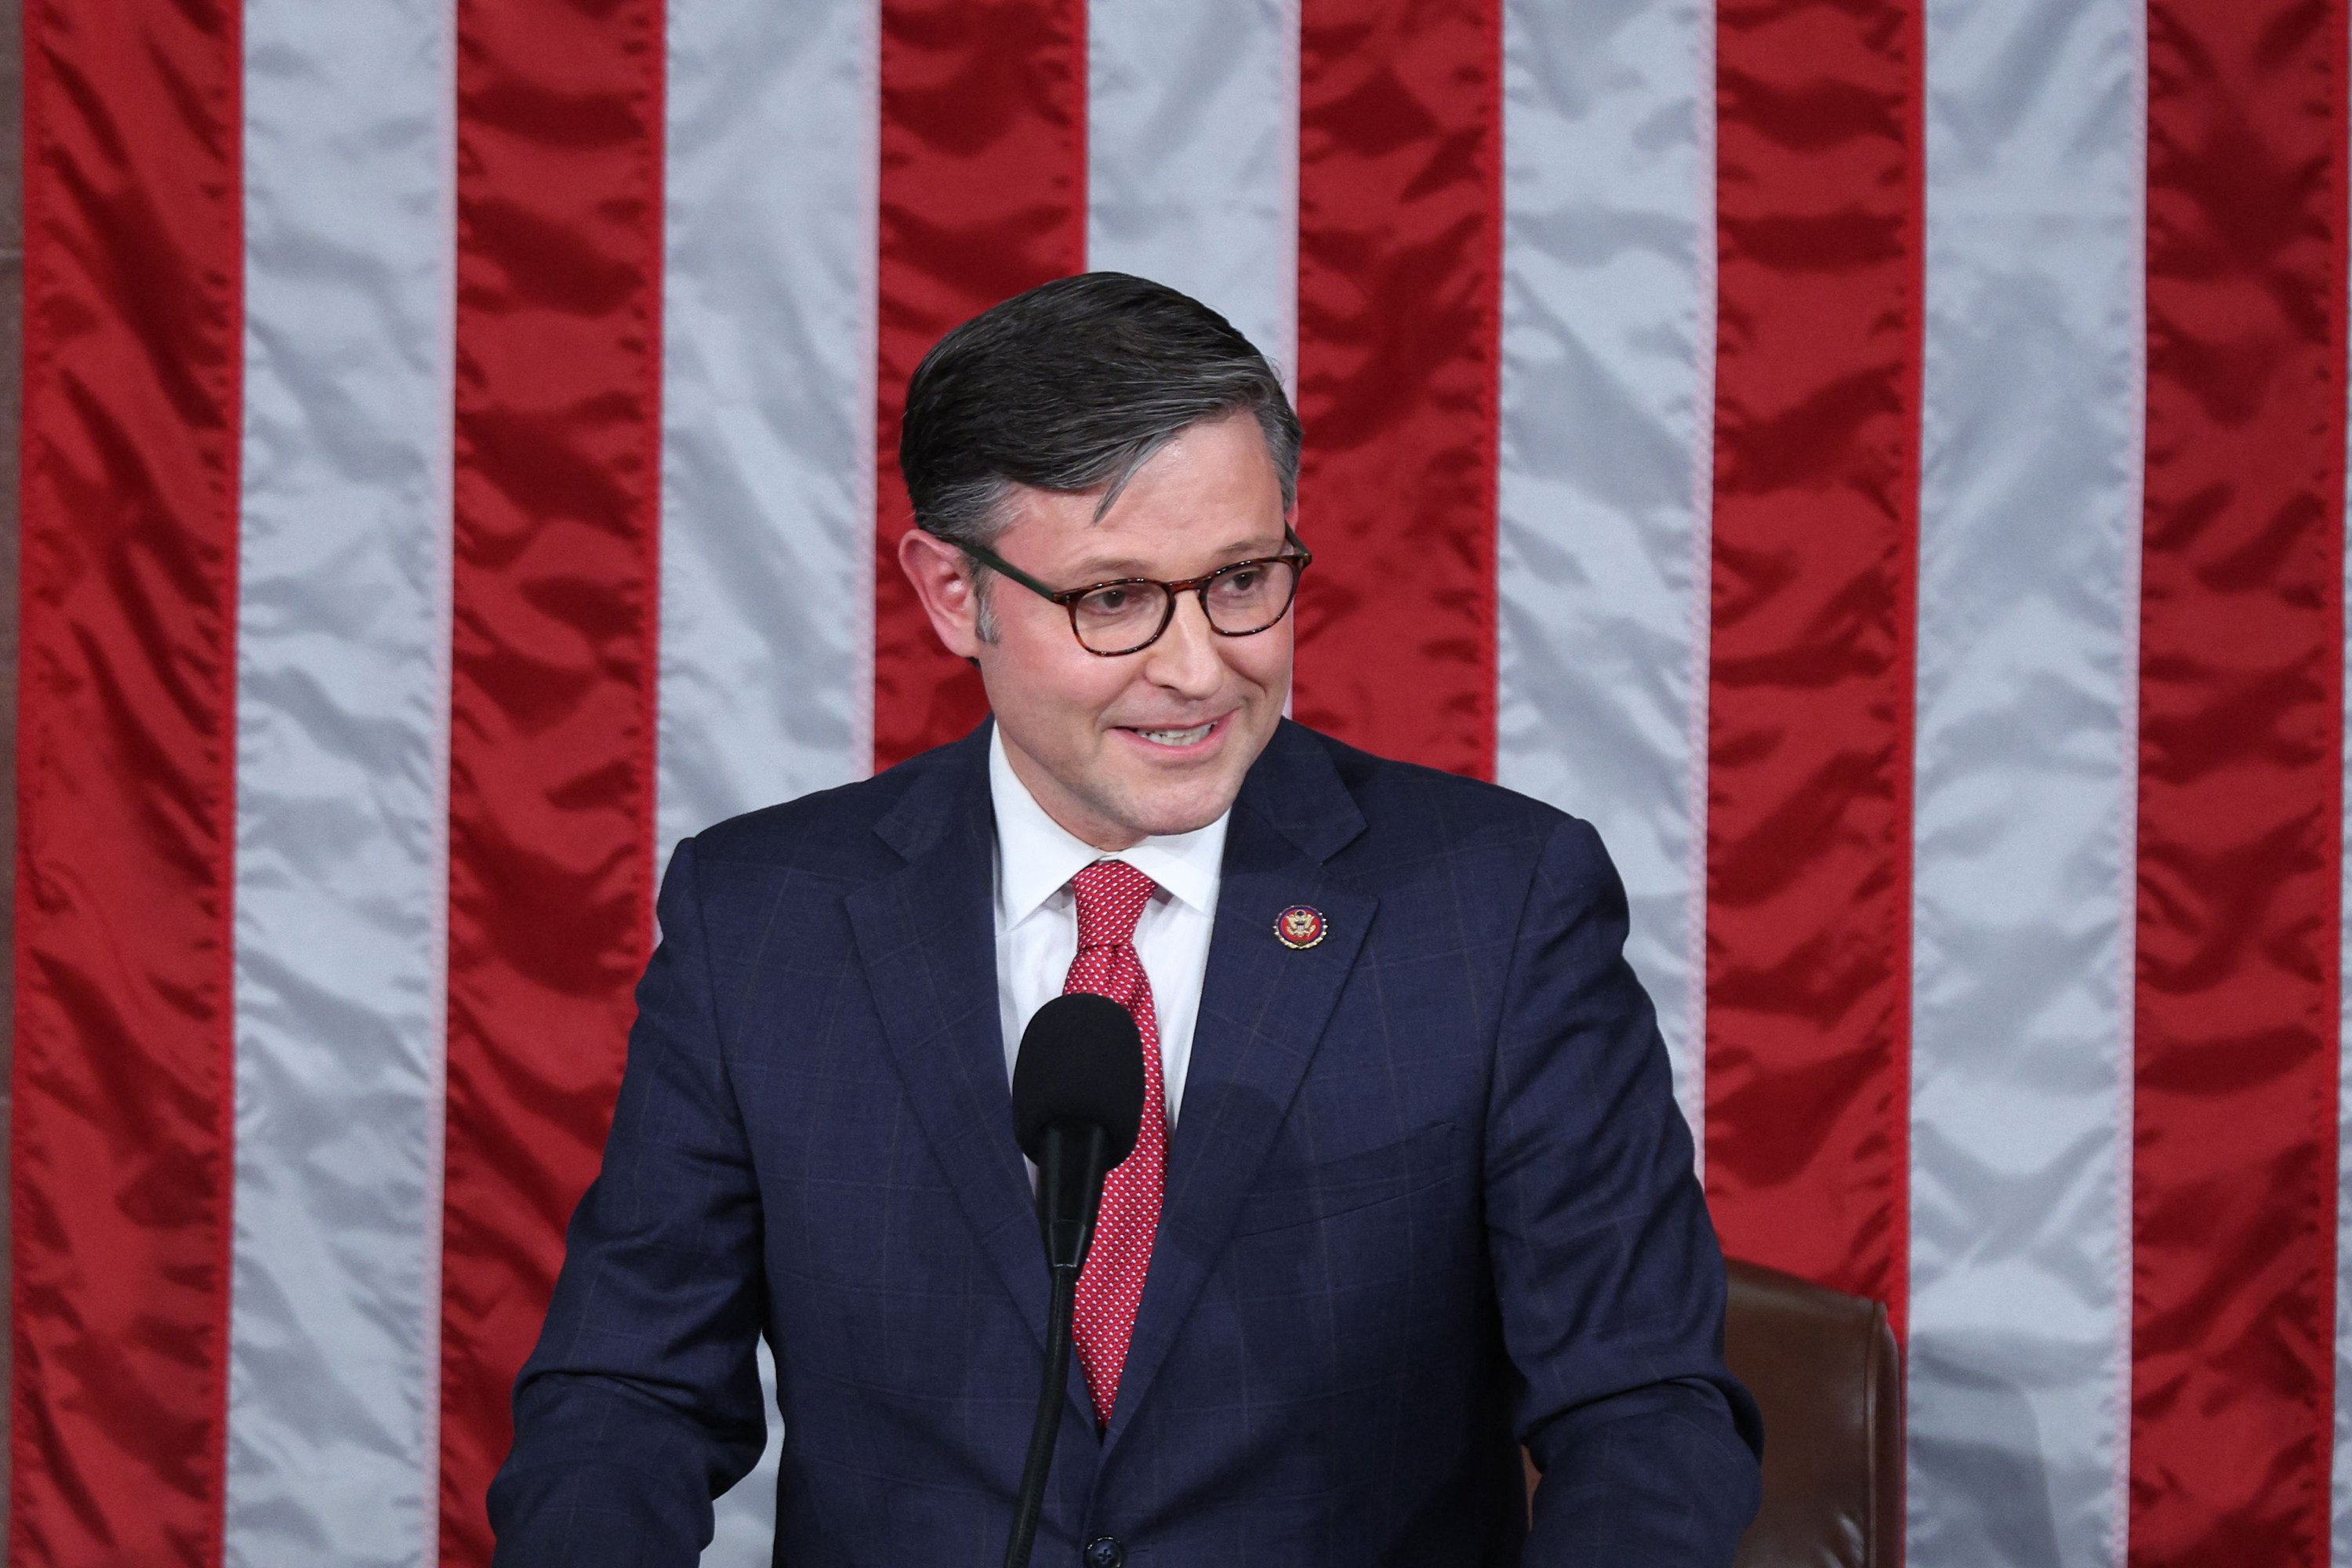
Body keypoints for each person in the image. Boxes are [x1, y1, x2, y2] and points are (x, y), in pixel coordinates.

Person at [487, 272, 1763, 1566]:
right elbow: (628, 1397)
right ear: (951, 594)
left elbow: (1642, 1407)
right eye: (1113, 600)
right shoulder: (765, 921)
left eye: (1242, 578)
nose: (1200, 666)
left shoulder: (1495, 910)